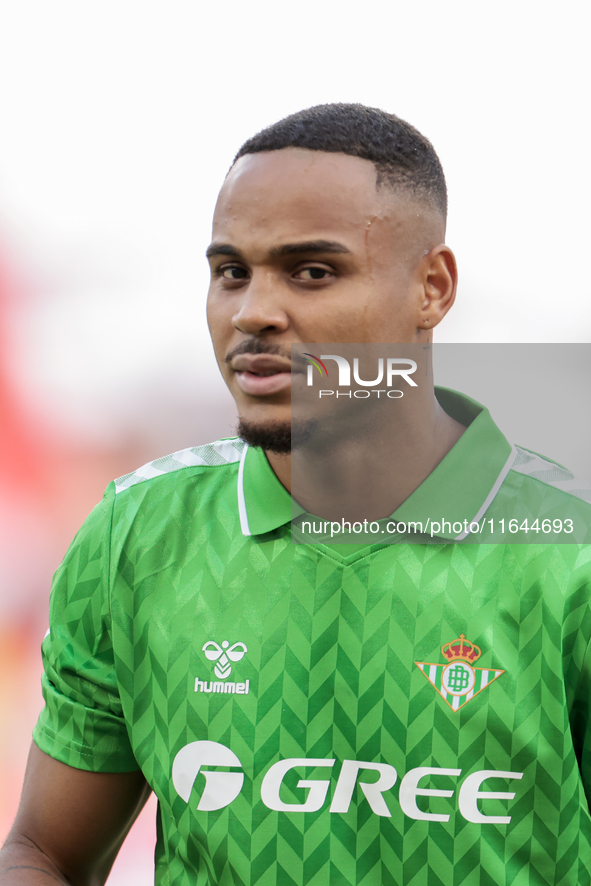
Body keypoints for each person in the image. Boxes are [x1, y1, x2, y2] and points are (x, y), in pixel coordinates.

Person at [2, 103, 591, 886]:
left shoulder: (567, 555)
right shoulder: (139, 533)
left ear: (431, 288)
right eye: (230, 273)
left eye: (312, 272)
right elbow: (45, 851)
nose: (253, 313)